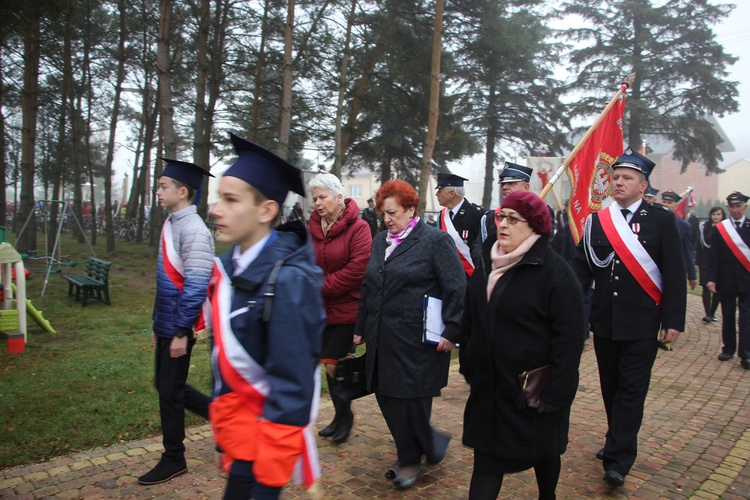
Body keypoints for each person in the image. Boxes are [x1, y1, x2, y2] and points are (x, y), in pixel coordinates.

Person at [207, 133, 326, 499]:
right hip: (241, 435)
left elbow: (293, 382)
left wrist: (270, 472)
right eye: (218, 198)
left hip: (269, 444)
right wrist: (227, 438)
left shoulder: (288, 279)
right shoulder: (228, 268)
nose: (215, 209)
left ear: (266, 210)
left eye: (230, 200)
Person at [460, 191, 584, 500]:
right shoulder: (487, 264)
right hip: (490, 387)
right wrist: (469, 361)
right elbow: (470, 317)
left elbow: (569, 338)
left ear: (535, 227)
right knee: (486, 461)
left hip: (532, 388)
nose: (503, 224)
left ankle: (547, 496)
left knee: (545, 450)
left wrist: (556, 392)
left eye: (513, 219)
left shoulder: (556, 273)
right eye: (501, 216)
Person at [573, 149, 686, 488]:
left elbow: (674, 273)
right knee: (612, 388)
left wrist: (673, 320)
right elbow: (581, 271)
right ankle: (616, 437)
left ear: (643, 184)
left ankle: (619, 458)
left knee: (632, 390)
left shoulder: (662, 219)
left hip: (642, 322)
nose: (619, 183)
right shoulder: (598, 220)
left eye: (627, 178)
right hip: (605, 320)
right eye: (616, 177)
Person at [354, 180, 465, 490]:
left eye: (393, 213)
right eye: (383, 214)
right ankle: (429, 444)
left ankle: (409, 460)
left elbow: (456, 286)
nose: (388, 220)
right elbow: (368, 286)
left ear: (411, 209)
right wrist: (360, 328)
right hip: (381, 337)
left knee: (410, 401)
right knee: (385, 395)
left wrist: (453, 330)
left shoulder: (435, 241)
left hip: (416, 339)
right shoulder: (380, 241)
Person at [138, 158, 215, 485]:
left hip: (179, 327)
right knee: (168, 387)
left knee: (169, 390)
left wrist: (182, 331)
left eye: (163, 186)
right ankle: (224, 418)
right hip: (168, 324)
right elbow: (165, 280)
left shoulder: (194, 230)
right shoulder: (173, 222)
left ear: (182, 192)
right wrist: (159, 324)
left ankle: (174, 458)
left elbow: (196, 286)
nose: (158, 191)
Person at [307, 173, 372, 444]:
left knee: (335, 363)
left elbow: (357, 270)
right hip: (320, 311)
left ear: (338, 197)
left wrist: (319, 285)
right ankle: (339, 414)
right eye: (314, 199)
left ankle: (345, 416)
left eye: (322, 197)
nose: (318, 203)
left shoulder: (359, 228)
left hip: (349, 308)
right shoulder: (312, 227)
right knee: (329, 364)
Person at [706, 191, 750, 369]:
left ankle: (746, 354)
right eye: (732, 207)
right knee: (728, 316)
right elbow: (713, 256)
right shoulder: (721, 228)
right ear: (728, 208)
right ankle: (728, 349)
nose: (735, 210)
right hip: (726, 280)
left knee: (746, 318)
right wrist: (711, 278)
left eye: (738, 206)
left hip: (747, 279)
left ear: (745, 207)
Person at [435, 173, 484, 277]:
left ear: (452, 193)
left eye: (439, 190)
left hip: (470, 276)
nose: (436, 194)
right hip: (448, 274)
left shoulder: (476, 214)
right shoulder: (442, 215)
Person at [660, 190, 698, 291]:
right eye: (664, 202)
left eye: (670, 203)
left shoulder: (684, 226)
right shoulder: (651, 221)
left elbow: (687, 251)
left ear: (676, 206)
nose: (666, 205)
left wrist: (692, 275)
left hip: (674, 270)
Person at [698, 206, 726, 323]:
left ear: (722, 216)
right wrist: (697, 262)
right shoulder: (704, 227)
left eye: (718, 214)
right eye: (714, 214)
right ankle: (708, 313)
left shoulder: (726, 228)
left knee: (717, 289)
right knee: (705, 287)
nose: (716, 217)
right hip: (706, 260)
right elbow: (700, 246)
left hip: (720, 261)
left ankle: (713, 312)